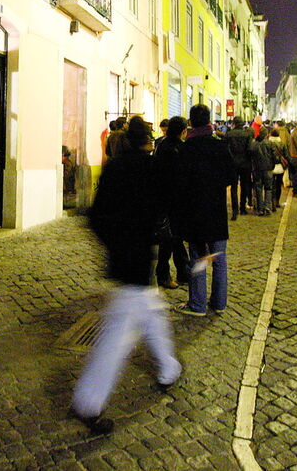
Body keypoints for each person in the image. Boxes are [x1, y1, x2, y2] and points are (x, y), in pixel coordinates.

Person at [72, 117, 182, 435]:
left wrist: (114, 245)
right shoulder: (149, 169)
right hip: (136, 260)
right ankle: (89, 402)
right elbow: (163, 207)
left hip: (124, 259)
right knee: (117, 336)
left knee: (153, 312)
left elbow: (95, 218)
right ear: (147, 141)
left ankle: (168, 367)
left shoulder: (114, 168)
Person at [174, 104, 234, 317]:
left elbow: (180, 182)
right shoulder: (220, 145)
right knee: (219, 258)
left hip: (195, 212)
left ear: (190, 122)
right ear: (209, 121)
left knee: (198, 257)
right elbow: (230, 177)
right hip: (216, 210)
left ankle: (198, 304)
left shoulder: (186, 149)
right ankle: (219, 303)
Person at [154, 116, 190, 287]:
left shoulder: (161, 145)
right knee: (169, 240)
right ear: (183, 131)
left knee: (173, 238)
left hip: (164, 198)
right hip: (173, 200)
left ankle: (182, 272)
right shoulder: (179, 149)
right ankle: (165, 274)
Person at [226, 116, 254, 219]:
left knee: (233, 187)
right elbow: (250, 149)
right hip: (245, 163)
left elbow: (226, 149)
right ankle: (242, 208)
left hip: (233, 163)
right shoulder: (247, 135)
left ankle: (234, 210)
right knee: (244, 185)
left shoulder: (229, 135)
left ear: (234, 123)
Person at [268, 128, 288, 211]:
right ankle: (277, 202)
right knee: (278, 185)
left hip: (270, 166)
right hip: (280, 166)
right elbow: (286, 154)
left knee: (271, 185)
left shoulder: (268, 143)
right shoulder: (282, 143)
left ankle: (271, 202)